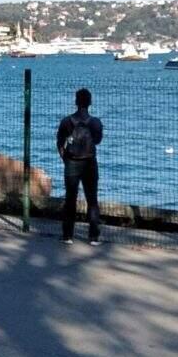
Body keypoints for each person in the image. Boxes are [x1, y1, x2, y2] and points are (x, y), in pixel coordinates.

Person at [56, 88, 103, 246]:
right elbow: (97, 141)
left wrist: (66, 158)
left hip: (72, 162)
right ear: (90, 103)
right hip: (90, 162)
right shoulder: (95, 122)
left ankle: (67, 235)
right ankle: (94, 236)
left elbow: (59, 142)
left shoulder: (66, 121)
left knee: (70, 199)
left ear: (76, 102)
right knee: (92, 199)